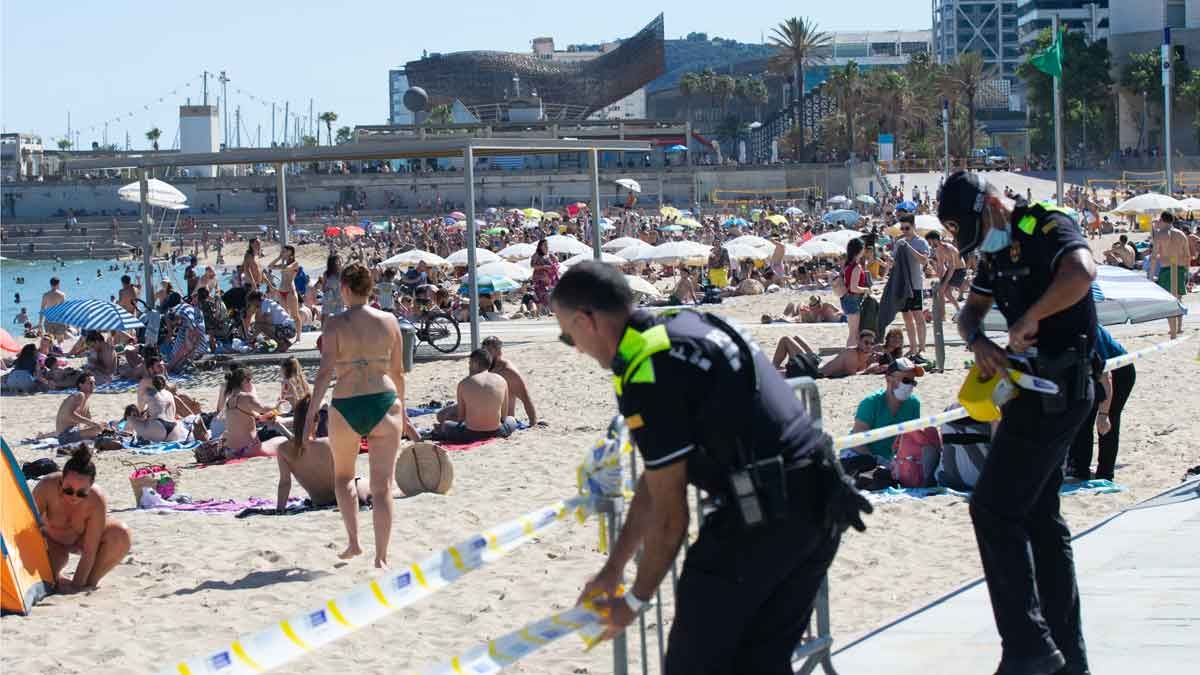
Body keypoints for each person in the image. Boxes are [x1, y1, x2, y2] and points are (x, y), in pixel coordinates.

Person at [553, 261, 869, 674]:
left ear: (585, 319)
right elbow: (658, 476)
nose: (573, 347)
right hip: (821, 503)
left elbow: (671, 519)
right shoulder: (684, 324)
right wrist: (614, 568)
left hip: (765, 515)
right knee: (760, 664)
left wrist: (633, 602)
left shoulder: (646, 368)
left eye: (566, 335)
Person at [941, 170, 1098, 675]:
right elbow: (971, 312)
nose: (976, 243)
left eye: (974, 228)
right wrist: (978, 342)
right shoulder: (992, 253)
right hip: (1023, 393)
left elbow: (1080, 272)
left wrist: (1032, 316)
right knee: (1039, 520)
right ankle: (1066, 659)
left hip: (1061, 388)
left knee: (992, 509)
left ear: (991, 205)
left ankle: (1029, 647)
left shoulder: (1044, 225)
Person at [306, 263, 419, 568]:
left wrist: (310, 415)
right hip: (384, 399)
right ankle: (381, 557)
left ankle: (354, 543)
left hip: (347, 402)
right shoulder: (390, 321)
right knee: (383, 487)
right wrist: (404, 412)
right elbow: (398, 372)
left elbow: (325, 372)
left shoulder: (334, 324)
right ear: (371, 290)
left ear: (344, 289)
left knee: (343, 477)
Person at [32, 447, 131, 593]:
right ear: (61, 481)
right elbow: (28, 527)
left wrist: (76, 587)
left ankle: (89, 582)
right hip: (52, 542)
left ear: (90, 488)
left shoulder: (96, 500)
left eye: (81, 493)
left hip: (80, 541)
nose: (74, 497)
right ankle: (57, 578)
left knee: (120, 534)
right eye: (68, 490)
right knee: (49, 576)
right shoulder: (46, 487)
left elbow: (89, 551)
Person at [266, 396, 369, 512]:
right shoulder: (328, 444)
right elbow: (346, 477)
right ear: (316, 420)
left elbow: (285, 483)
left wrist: (280, 510)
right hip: (347, 497)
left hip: (320, 502)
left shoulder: (283, 450)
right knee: (371, 484)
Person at [1067, 325, 1135, 482]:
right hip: (1089, 370)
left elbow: (1106, 378)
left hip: (1119, 372)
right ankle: (1080, 469)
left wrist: (1103, 414)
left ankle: (1106, 473)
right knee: (1083, 418)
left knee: (1107, 421)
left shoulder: (1087, 330)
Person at [842, 358, 924, 473]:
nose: (910, 385)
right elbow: (856, 442)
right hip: (859, 455)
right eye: (906, 380)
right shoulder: (871, 402)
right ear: (888, 379)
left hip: (889, 459)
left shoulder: (913, 404)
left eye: (913, 381)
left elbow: (911, 440)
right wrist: (877, 460)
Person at [435, 348, 518, 442]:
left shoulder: (464, 383)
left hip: (471, 434)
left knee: (446, 425)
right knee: (512, 419)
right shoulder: (502, 380)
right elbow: (504, 416)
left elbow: (461, 418)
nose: (469, 367)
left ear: (475, 363)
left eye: (470, 363)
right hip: (498, 432)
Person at [772, 329, 887, 379]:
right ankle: (772, 368)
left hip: (817, 363)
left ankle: (774, 368)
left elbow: (880, 350)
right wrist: (868, 370)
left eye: (871, 343)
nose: (869, 346)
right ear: (858, 342)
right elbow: (851, 374)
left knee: (794, 339)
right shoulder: (852, 354)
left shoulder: (866, 356)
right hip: (815, 370)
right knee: (786, 340)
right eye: (866, 342)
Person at [892, 213, 930, 361]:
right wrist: (889, 260)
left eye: (907, 228)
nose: (904, 231)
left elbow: (924, 260)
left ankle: (922, 347)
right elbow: (894, 262)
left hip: (915, 284)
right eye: (902, 228)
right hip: (903, 285)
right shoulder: (899, 242)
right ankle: (913, 347)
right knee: (907, 318)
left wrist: (908, 247)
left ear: (913, 226)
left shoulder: (921, 242)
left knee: (918, 316)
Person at [218, 367, 276, 459]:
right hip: (249, 449)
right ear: (244, 381)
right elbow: (263, 408)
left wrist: (264, 417)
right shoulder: (246, 397)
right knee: (281, 440)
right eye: (250, 381)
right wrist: (278, 404)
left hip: (232, 450)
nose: (251, 384)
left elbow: (257, 416)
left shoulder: (230, 401)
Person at [1149, 211, 1189, 339]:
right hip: (1180, 268)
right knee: (1178, 299)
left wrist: (1151, 275)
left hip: (1167, 270)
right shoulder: (1181, 234)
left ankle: (1172, 333)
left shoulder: (1160, 235)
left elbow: (1154, 257)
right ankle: (1179, 328)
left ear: (1162, 220)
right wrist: (1187, 272)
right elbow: (1187, 255)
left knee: (1170, 301)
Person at [481, 336, 538, 425]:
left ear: (499, 352)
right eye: (484, 351)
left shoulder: (508, 372)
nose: (486, 355)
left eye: (489, 351)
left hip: (502, 422)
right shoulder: (484, 366)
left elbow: (525, 398)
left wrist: (533, 422)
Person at [52, 373, 111, 444]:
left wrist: (98, 424)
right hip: (65, 436)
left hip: (71, 433)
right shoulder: (79, 395)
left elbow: (88, 421)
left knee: (103, 425)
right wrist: (94, 424)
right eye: (90, 383)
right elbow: (70, 415)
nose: (93, 385)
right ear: (81, 385)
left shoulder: (86, 400)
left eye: (94, 383)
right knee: (98, 429)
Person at [926, 231, 965, 314]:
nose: (929, 244)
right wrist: (941, 280)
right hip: (951, 270)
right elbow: (941, 267)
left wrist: (944, 283)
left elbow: (952, 266)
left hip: (960, 270)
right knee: (942, 291)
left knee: (945, 291)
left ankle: (958, 311)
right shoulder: (938, 250)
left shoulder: (948, 248)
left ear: (935, 240)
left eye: (929, 242)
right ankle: (943, 314)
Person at [841, 238, 870, 347]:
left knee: (853, 332)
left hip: (847, 299)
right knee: (853, 334)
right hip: (853, 299)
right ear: (859, 250)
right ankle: (849, 357)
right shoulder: (856, 267)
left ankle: (850, 355)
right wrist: (865, 289)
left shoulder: (848, 264)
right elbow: (853, 288)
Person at [269, 244, 303, 329]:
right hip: (281, 290)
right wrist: (279, 257)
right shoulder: (283, 264)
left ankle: (298, 336)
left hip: (290, 290)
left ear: (290, 252)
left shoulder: (295, 263)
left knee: (295, 314)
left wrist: (283, 261)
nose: (282, 252)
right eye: (282, 251)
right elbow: (270, 266)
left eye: (284, 251)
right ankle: (288, 332)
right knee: (284, 314)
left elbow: (287, 268)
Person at [530, 238, 559, 315]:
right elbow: (533, 265)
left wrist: (555, 259)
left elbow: (556, 262)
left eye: (547, 245)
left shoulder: (550, 254)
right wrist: (544, 266)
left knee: (551, 293)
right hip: (540, 278)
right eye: (545, 245)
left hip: (550, 277)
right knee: (542, 294)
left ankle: (548, 310)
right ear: (540, 246)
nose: (547, 246)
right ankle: (544, 311)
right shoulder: (536, 255)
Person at [320, 254, 344, 321]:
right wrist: (327, 290)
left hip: (339, 298)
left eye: (340, 261)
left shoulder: (342, 273)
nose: (339, 263)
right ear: (332, 263)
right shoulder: (326, 274)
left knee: (339, 319)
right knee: (325, 317)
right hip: (328, 298)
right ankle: (324, 330)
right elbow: (323, 288)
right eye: (337, 261)